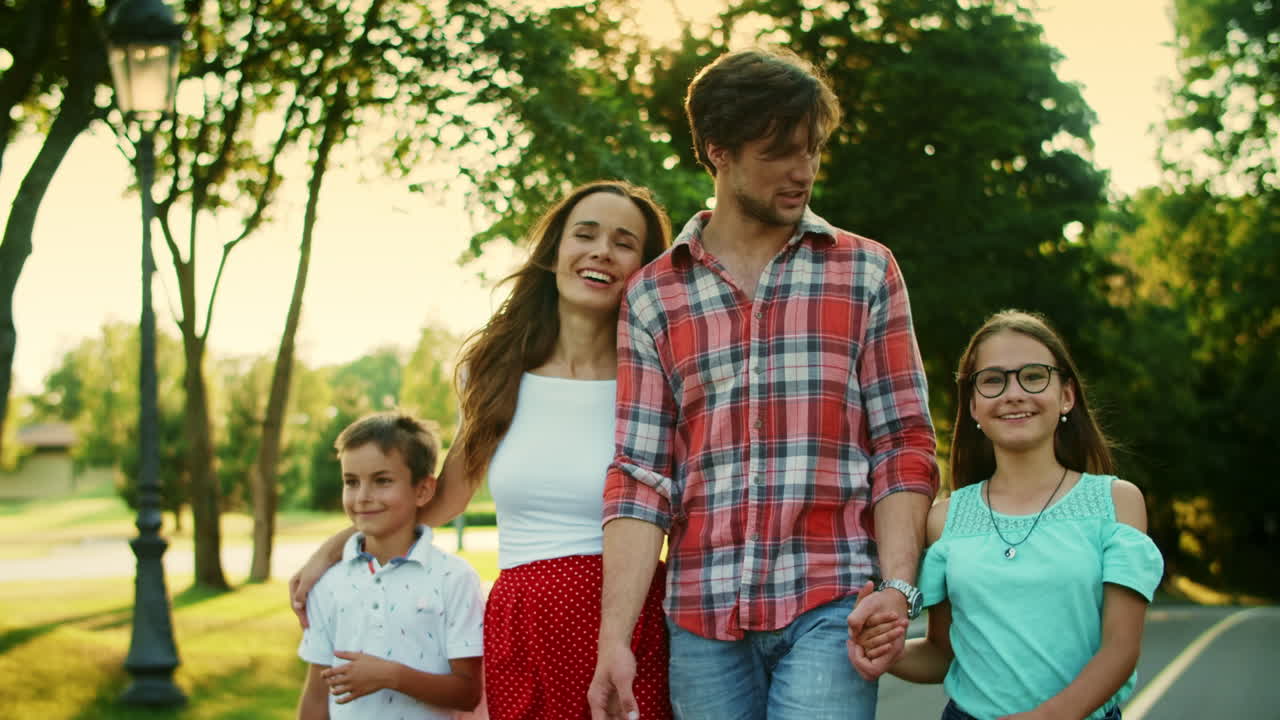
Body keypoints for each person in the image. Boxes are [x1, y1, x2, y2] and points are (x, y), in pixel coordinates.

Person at [588, 47, 938, 720]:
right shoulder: (654, 296)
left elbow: (903, 445)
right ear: (717, 151)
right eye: (779, 152)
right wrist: (615, 640)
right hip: (702, 617)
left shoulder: (866, 272)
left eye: (812, 150)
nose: (803, 171)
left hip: (832, 602)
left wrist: (898, 586)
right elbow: (640, 476)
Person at [291, 181, 674, 720]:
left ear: (645, 267)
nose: (602, 252)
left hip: (632, 624)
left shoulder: (658, 376)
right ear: (554, 254)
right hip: (523, 625)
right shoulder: (496, 371)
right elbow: (443, 499)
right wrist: (334, 549)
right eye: (585, 235)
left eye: (624, 242)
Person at [861, 310, 1164, 719]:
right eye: (993, 380)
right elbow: (942, 654)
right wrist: (887, 651)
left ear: (1067, 395)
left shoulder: (1115, 502)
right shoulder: (945, 520)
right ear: (973, 405)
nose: (1014, 393)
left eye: (1034, 376)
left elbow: (1120, 650)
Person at [296, 411, 484, 719]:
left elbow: (468, 693)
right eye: (351, 482)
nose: (363, 497)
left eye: (382, 481)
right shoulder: (328, 583)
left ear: (423, 490)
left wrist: (391, 676)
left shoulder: (455, 578)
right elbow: (316, 696)